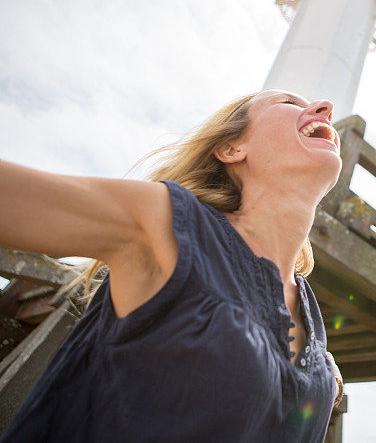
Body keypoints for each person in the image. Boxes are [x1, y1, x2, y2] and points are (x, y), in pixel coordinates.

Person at [0, 89, 345, 442]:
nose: (325, 108)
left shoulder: (311, 319)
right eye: (288, 103)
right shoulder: (163, 222)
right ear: (231, 149)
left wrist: (322, 381)